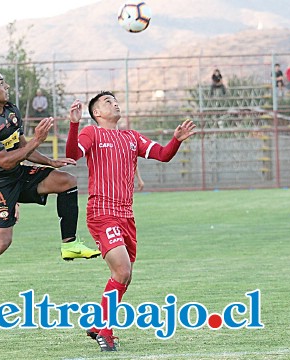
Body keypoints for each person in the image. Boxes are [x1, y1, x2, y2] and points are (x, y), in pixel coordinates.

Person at [65, 92, 196, 351]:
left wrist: (176, 140)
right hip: (102, 213)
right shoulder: (92, 133)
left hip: (126, 215)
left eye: (115, 100)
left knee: (124, 276)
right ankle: (106, 332)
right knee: (122, 271)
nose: (114, 103)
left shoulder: (131, 137)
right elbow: (72, 154)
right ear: (97, 113)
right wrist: (73, 124)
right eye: (107, 102)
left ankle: (98, 321)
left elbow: (162, 154)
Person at [0, 67, 100, 281]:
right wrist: (37, 140)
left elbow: (21, 146)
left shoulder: (10, 110)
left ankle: (70, 244)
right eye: (0, 83)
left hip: (17, 173)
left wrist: (50, 161)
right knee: (0, 242)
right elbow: (5, 160)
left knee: (66, 182)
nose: (6, 86)